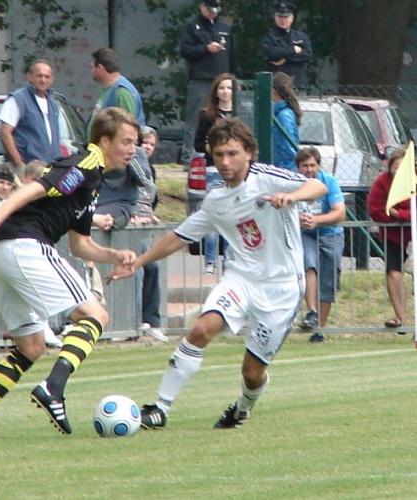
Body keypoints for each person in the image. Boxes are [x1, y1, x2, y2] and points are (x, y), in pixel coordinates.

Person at [109, 118, 327, 430]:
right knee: (200, 330)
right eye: (219, 154)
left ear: (249, 153)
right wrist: (138, 262)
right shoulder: (216, 200)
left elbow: (316, 185)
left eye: (232, 154)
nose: (225, 162)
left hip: (282, 288)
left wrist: (292, 197)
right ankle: (159, 408)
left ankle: (242, 407)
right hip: (241, 280)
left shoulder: (267, 178)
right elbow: (179, 236)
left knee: (252, 373)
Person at [0, 107, 138, 439]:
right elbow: (35, 188)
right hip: (24, 245)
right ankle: (53, 388)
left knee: (31, 346)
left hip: (0, 252)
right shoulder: (86, 163)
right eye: (126, 141)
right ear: (105, 141)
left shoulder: (93, 181)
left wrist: (113, 255)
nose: (132, 149)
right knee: (95, 315)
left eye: (134, 142)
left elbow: (80, 245)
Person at [295, 147, 346, 343]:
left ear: (318, 165)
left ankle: (319, 329)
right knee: (309, 265)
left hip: (330, 234)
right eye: (304, 166)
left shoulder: (330, 182)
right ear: (298, 167)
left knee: (328, 283)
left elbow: (339, 213)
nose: (308, 169)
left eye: (312, 165)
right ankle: (312, 311)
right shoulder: (293, 183)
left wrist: (318, 220)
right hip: (306, 233)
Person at [180, 0, 236, 164]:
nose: (213, 13)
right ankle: (188, 157)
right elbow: (185, 50)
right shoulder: (192, 26)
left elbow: (232, 54)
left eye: (215, 9)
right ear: (202, 7)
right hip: (201, 78)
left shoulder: (225, 27)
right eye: (210, 9)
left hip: (222, 78)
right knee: (195, 117)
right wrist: (205, 48)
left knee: (226, 116)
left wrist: (233, 77)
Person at [194, 72, 237, 273]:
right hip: (213, 170)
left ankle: (229, 260)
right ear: (216, 91)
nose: (225, 91)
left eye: (229, 88)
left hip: (235, 172)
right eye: (221, 88)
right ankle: (210, 261)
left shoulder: (240, 113)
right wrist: (211, 149)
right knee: (214, 213)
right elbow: (197, 142)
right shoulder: (208, 115)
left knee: (232, 215)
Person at [368, 147, 412, 330]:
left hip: (412, 234)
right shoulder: (381, 182)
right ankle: (400, 317)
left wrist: (399, 214)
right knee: (393, 272)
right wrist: (393, 217)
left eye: (402, 167)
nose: (398, 170)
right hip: (393, 236)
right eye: (395, 166)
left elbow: (412, 212)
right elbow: (375, 209)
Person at [130, 126, 167, 342]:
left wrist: (150, 215)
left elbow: (150, 198)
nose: (147, 147)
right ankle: (134, 321)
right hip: (129, 224)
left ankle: (151, 320)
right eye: (144, 142)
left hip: (145, 224)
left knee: (151, 268)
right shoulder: (129, 163)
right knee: (138, 270)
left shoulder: (148, 170)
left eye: (152, 144)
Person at [0, 59, 63, 176]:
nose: (43, 80)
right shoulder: (17, 99)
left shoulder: (53, 104)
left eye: (47, 77)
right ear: (29, 77)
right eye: (39, 76)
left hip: (48, 170)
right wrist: (19, 164)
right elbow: (4, 132)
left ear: (52, 79)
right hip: (26, 170)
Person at [88, 47, 145, 138]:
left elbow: (127, 129)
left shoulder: (121, 92)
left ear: (100, 67)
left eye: (92, 67)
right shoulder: (109, 90)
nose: (91, 71)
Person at [261, 1, 312, 88]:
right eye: (280, 17)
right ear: (275, 18)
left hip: (297, 83)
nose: (283, 20)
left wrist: (285, 58)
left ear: (292, 18)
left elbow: (307, 55)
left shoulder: (301, 36)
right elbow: (271, 53)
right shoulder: (269, 36)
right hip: (276, 83)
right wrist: (293, 50)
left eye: (286, 17)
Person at [272, 72, 301, 171]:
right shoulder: (280, 112)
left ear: (273, 90)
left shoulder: (284, 115)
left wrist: (285, 168)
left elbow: (288, 147)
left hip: (285, 168)